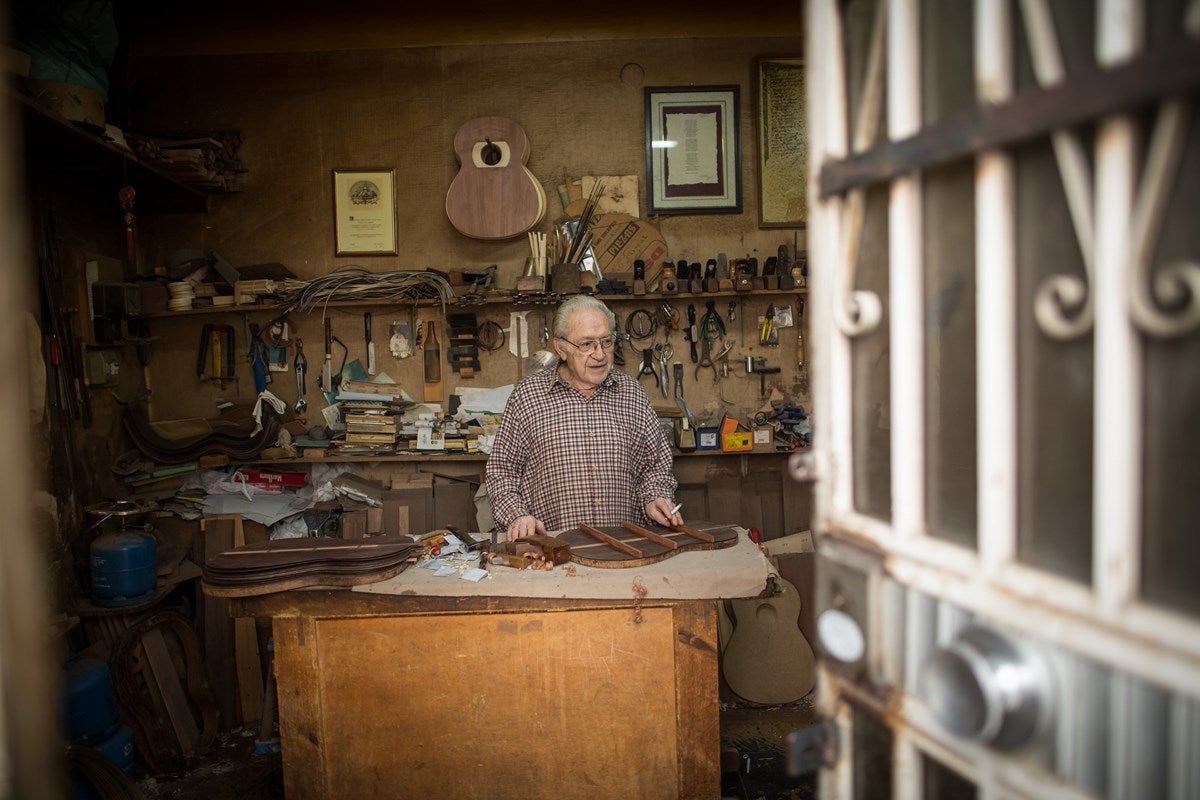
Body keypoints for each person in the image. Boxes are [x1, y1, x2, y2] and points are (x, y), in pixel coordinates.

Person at [485, 294, 684, 541]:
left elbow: (655, 466)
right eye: (587, 344)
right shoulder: (528, 396)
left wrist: (655, 498)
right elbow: (502, 471)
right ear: (561, 348)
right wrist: (516, 515)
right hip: (553, 553)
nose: (600, 354)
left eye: (607, 342)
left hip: (626, 549)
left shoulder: (631, 393)